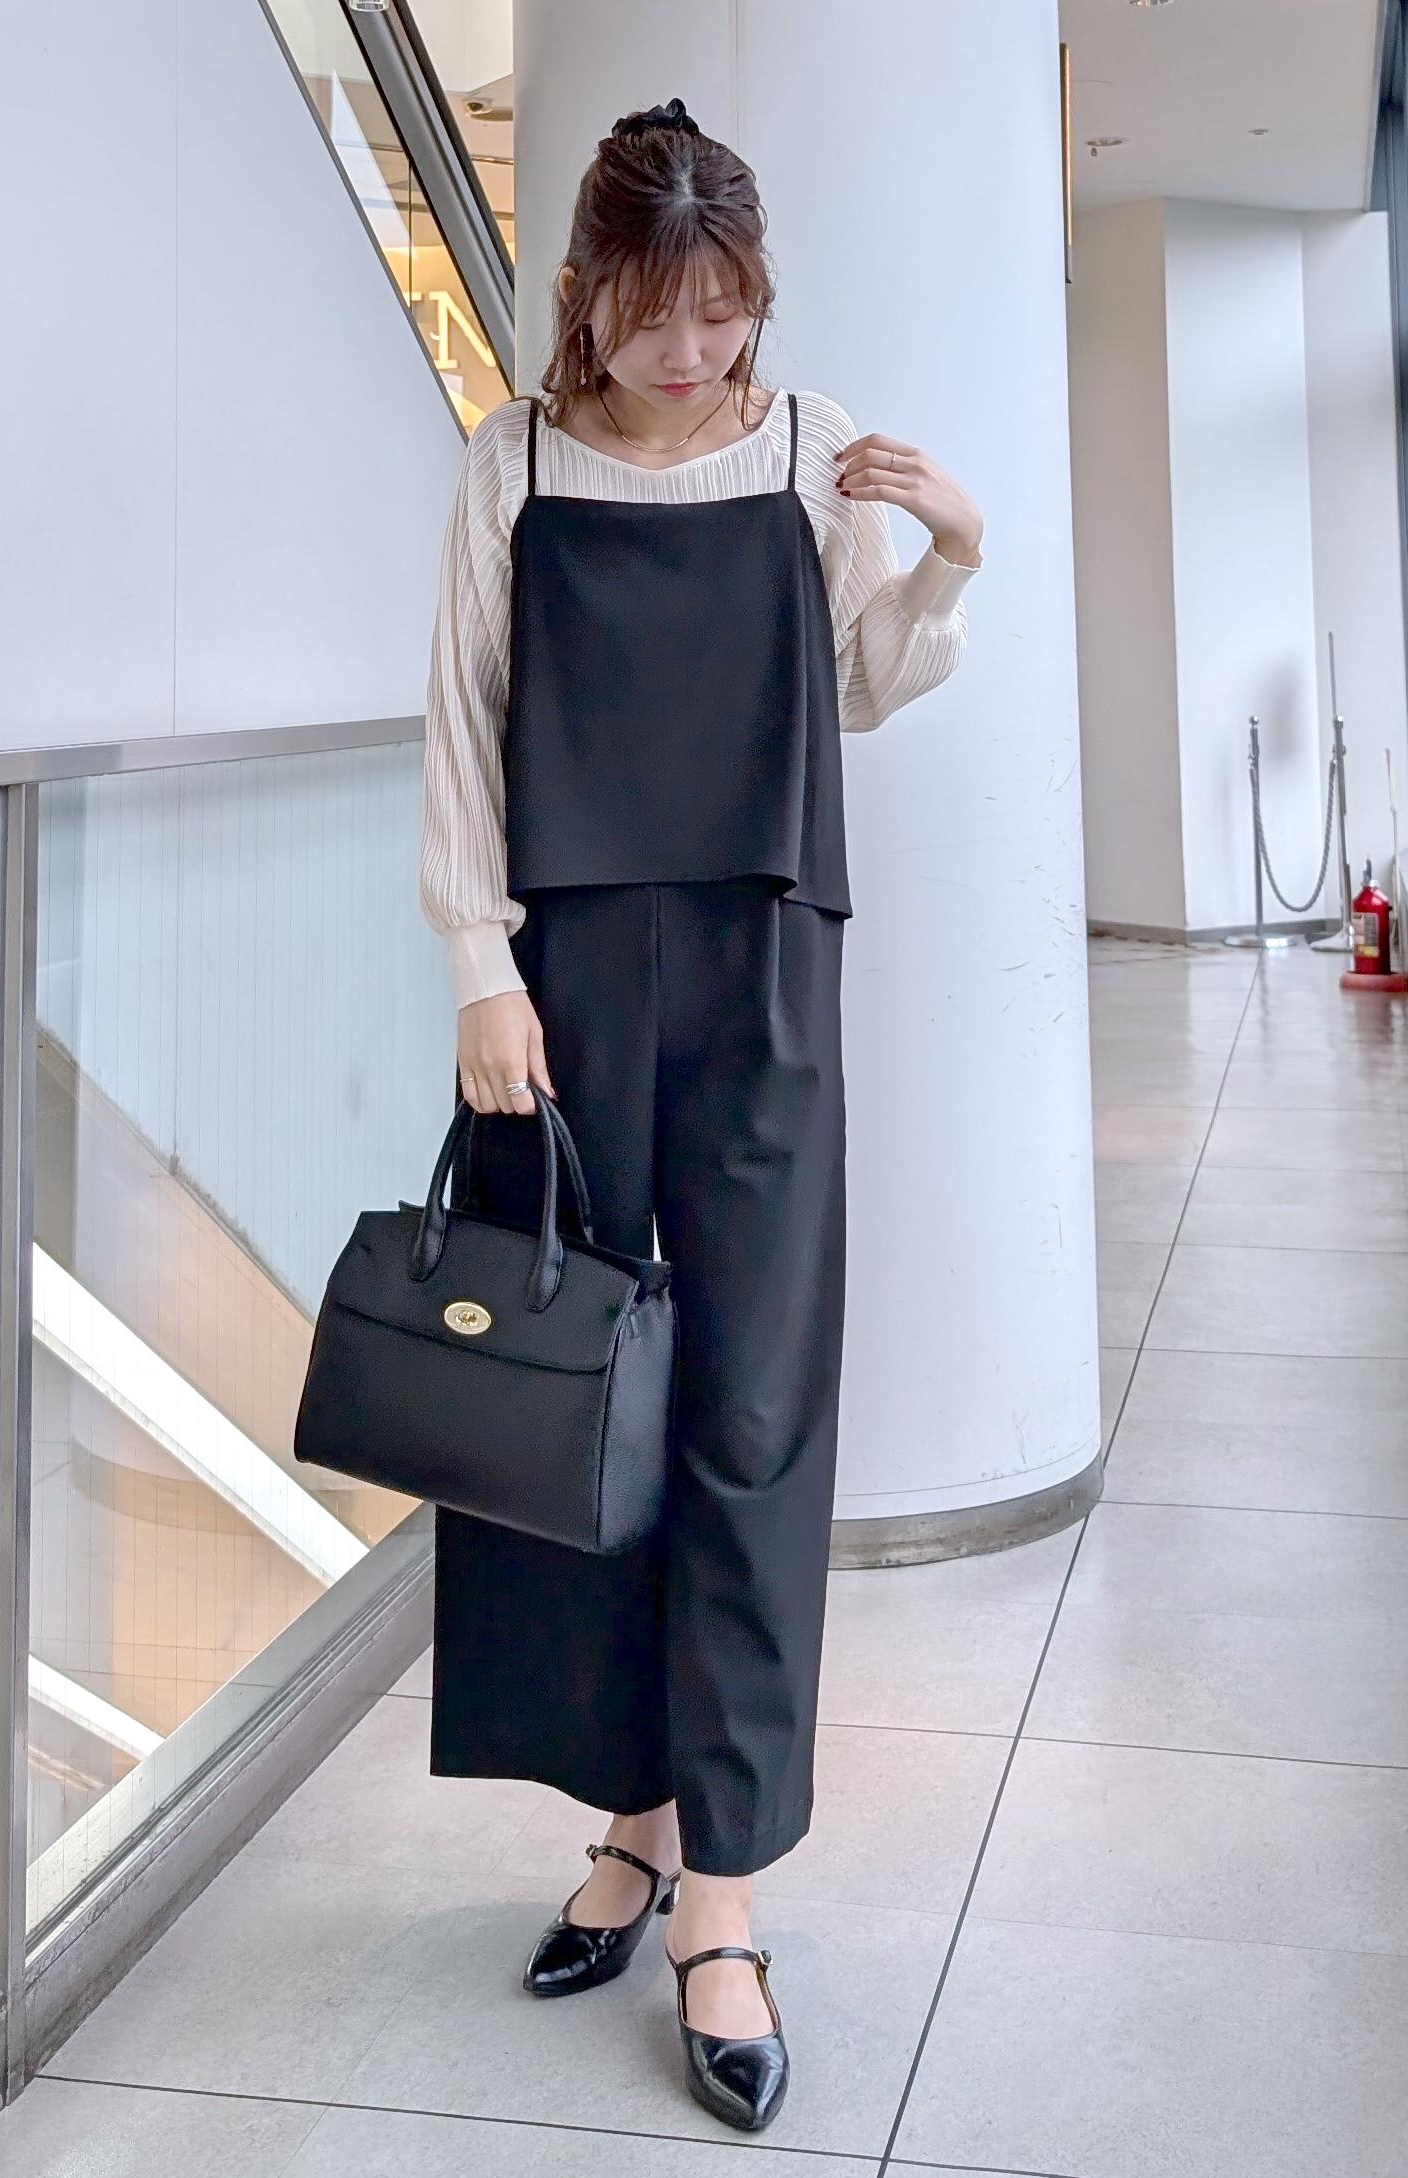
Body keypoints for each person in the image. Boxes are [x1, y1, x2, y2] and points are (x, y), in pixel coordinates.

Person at [417, 94, 982, 2134]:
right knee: (586, 1407)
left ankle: (718, 1898)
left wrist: (951, 553)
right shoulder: (513, 461)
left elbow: (853, 690)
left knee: (748, 1413)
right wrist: (479, 965)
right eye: (656, 315)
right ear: (588, 295)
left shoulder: (802, 445)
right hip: (561, 987)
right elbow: (463, 719)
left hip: (760, 971)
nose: (690, 353)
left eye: (723, 312)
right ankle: (629, 1814)